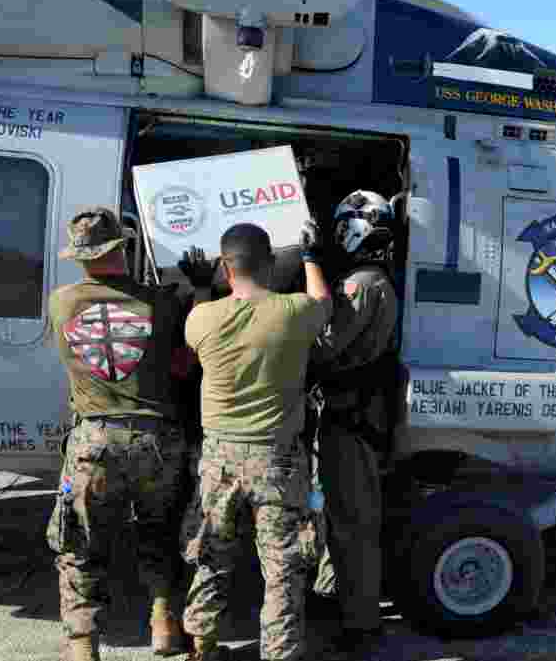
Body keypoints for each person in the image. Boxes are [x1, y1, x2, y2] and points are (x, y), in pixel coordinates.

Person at [178, 221, 332, 661]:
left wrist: (201, 287)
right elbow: (324, 301)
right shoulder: (293, 311)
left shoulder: (201, 317)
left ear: (226, 267)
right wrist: (311, 256)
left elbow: (198, 337)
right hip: (278, 460)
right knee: (283, 570)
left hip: (219, 459)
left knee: (211, 556)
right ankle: (280, 653)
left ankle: (202, 646)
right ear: (269, 264)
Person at [45, 208, 193, 661]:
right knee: (161, 533)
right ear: (121, 248)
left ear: (80, 257)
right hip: (157, 440)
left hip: (94, 440)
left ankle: (82, 644)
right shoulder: (162, 303)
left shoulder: (61, 302)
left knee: (81, 543)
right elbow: (184, 367)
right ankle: (165, 626)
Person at [308, 190, 400, 655]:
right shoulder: (373, 278)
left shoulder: (360, 284)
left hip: (351, 415)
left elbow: (325, 345)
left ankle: (360, 621)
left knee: (353, 521)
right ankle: (340, 596)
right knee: (341, 515)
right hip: (355, 412)